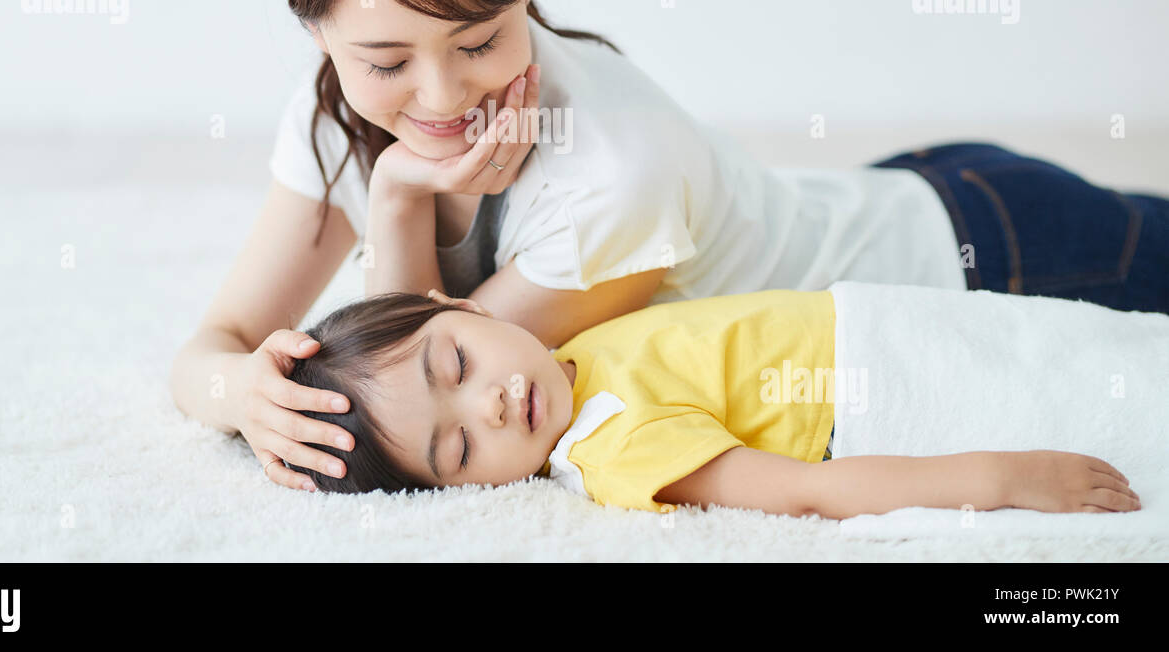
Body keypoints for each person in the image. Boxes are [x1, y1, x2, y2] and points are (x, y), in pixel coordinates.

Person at [169, 0, 1169, 491]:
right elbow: (216, 348)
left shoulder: (615, 170)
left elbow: (461, 356)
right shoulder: (333, 115)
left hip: (980, 253)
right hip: (883, 198)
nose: (440, 97)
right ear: (317, 33)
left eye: (478, 40)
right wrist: (240, 391)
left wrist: (393, 198)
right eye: (386, 61)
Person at [276, 287, 1148, 519]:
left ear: (460, 306)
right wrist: (994, 478)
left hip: (887, 319)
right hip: (879, 384)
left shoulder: (567, 355)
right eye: (459, 451)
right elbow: (802, 491)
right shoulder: (609, 446)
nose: (490, 408)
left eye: (457, 363)